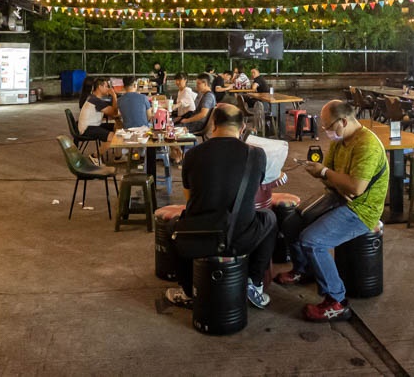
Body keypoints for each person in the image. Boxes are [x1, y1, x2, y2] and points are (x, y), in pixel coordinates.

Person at [275, 100, 388, 322]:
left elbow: (355, 187)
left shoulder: (367, 145)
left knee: (312, 241)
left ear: (343, 121)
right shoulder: (341, 140)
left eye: (327, 126)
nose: (325, 132)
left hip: (361, 210)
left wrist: (327, 173)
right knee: (291, 223)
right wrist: (327, 175)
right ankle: (303, 269)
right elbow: (333, 178)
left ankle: (337, 300)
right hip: (338, 198)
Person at [165, 105, 277, 310]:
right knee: (269, 218)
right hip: (241, 238)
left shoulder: (192, 154)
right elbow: (254, 191)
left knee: (173, 225)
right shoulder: (257, 155)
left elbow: (190, 200)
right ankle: (254, 283)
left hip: (199, 239)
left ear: (213, 124)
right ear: (243, 127)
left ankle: (188, 291)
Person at [78, 78, 118, 143]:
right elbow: (114, 113)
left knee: (116, 126)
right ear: (100, 87)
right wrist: (114, 96)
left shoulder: (92, 97)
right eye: (107, 86)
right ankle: (95, 153)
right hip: (87, 128)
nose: (109, 89)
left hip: (93, 125)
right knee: (113, 137)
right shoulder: (95, 100)